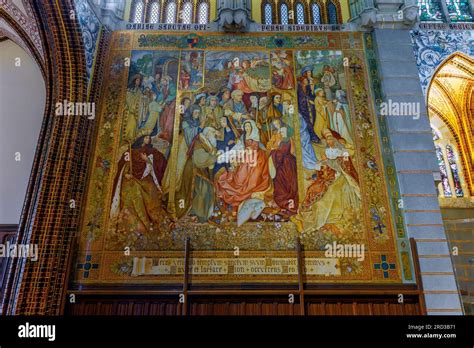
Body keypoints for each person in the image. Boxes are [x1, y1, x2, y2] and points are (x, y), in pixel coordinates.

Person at [110, 134, 167, 234]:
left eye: (149, 138)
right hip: (131, 179)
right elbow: (122, 166)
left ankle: (157, 220)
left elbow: (159, 162)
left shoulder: (150, 151)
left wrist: (147, 160)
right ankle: (139, 224)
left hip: (144, 177)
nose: (148, 139)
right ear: (140, 138)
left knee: (150, 187)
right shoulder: (130, 152)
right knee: (134, 190)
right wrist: (126, 174)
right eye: (146, 137)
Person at [216, 120, 271, 213]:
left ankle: (249, 192)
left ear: (252, 127)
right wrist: (232, 154)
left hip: (256, 157)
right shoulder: (244, 136)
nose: (247, 128)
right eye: (246, 127)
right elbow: (239, 146)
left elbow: (257, 146)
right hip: (246, 156)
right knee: (240, 175)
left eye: (249, 126)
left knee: (255, 173)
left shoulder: (256, 135)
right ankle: (239, 190)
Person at [267, 119, 298, 215]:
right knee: (279, 180)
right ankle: (283, 200)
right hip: (281, 164)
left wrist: (273, 152)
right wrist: (273, 150)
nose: (282, 133)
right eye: (281, 132)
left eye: (284, 131)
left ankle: (287, 200)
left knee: (289, 181)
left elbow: (285, 152)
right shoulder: (280, 141)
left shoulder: (288, 141)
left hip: (287, 165)